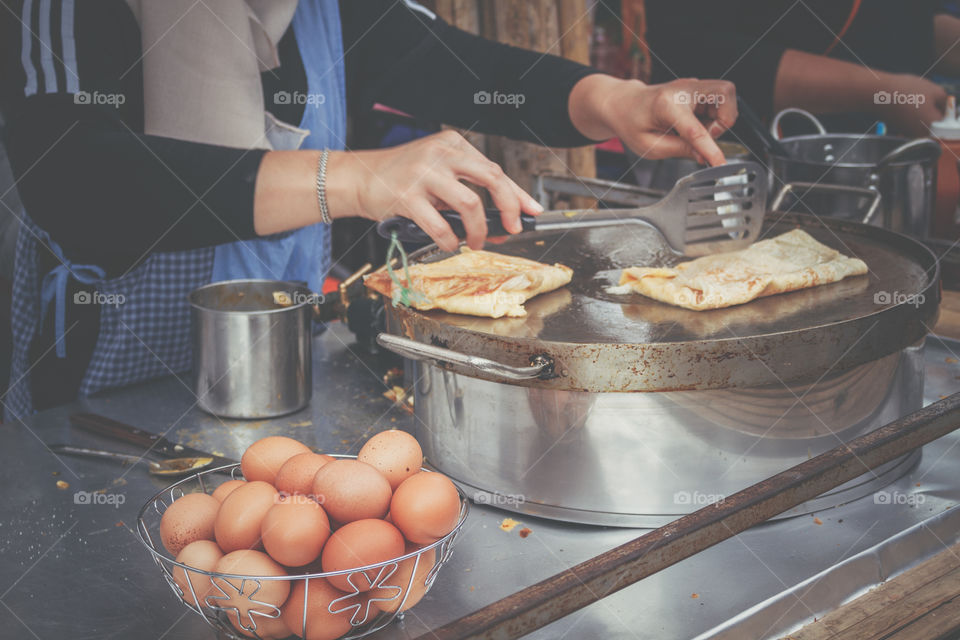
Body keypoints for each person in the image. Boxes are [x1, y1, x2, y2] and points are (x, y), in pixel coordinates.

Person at [0, 0, 737, 418]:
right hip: (100, 405)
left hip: (279, 373)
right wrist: (350, 179)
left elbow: (456, 66)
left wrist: (618, 100)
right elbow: (72, 179)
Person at [645, 0, 954, 137]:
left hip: (874, 152)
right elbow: (691, 50)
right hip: (737, 168)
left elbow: (903, 19)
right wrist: (884, 93)